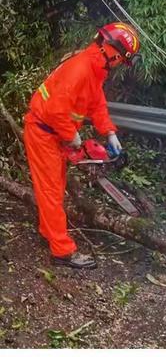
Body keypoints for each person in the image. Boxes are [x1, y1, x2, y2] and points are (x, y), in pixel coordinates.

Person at [23, 22, 141, 269]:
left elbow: (97, 105)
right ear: (114, 52)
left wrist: (109, 133)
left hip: (54, 133)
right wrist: (72, 137)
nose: (120, 64)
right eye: (122, 59)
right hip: (44, 131)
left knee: (56, 187)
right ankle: (62, 251)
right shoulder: (81, 68)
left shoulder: (95, 70)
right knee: (51, 191)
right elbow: (56, 109)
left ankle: (49, 232)